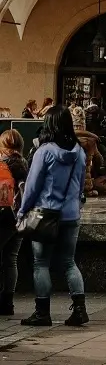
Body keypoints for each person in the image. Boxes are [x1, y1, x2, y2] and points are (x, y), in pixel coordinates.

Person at [17, 107, 88, 327]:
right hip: (71, 215)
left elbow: (32, 186)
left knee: (41, 263)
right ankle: (79, 310)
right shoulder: (79, 151)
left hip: (45, 214)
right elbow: (81, 184)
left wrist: (22, 211)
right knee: (68, 262)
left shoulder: (44, 152)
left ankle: (42, 312)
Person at [0, 131, 28, 317]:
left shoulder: (3, 165)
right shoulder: (24, 164)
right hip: (19, 218)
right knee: (11, 259)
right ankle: (7, 302)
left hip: (3, 217)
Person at [70, 107, 106, 198]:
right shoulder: (91, 141)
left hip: (67, 187)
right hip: (85, 187)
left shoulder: (65, 139)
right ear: (84, 125)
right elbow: (99, 161)